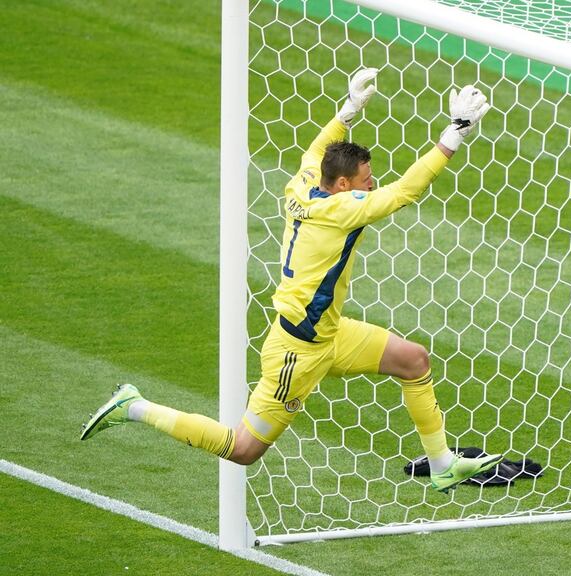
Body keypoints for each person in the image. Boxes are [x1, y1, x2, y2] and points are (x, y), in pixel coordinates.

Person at [81, 68, 501, 493]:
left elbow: (318, 148)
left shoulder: (303, 184)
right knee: (243, 449)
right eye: (363, 180)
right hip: (298, 352)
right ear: (341, 185)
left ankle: (442, 463)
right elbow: (406, 191)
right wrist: (456, 131)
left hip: (330, 333)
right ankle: (134, 406)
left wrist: (350, 108)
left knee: (414, 360)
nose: (370, 184)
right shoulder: (343, 210)